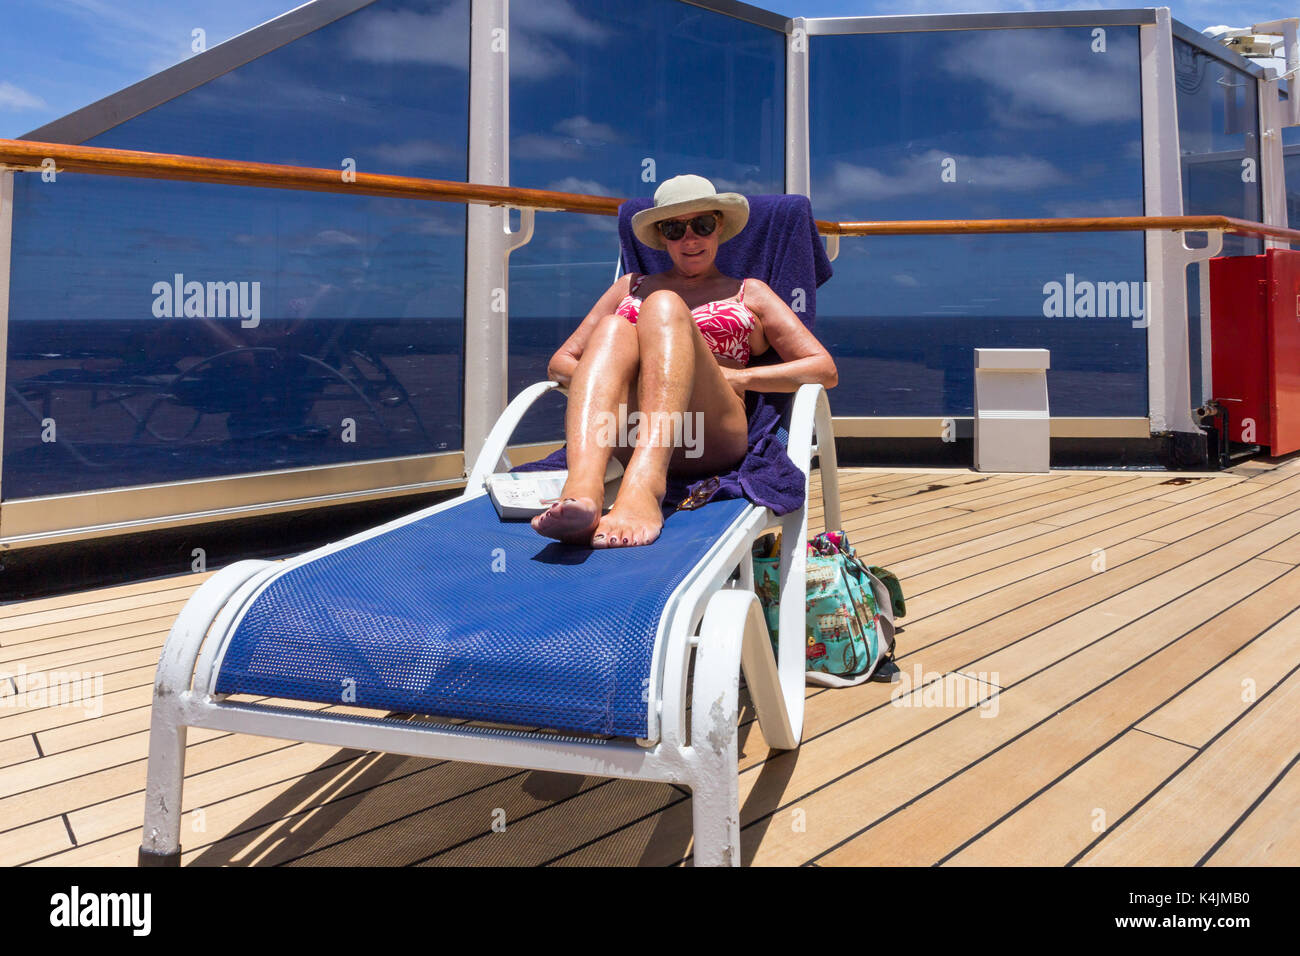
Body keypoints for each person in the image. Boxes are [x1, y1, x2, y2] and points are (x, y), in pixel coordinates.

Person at [533, 174, 837, 549]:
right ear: (662, 236)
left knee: (663, 305)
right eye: (675, 228)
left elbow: (823, 369)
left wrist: (739, 378)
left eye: (702, 225)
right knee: (613, 328)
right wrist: (631, 379)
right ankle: (582, 491)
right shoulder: (630, 286)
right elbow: (561, 363)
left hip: (707, 433)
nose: (689, 238)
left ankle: (646, 486)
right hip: (628, 429)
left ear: (719, 227)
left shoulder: (749, 292)